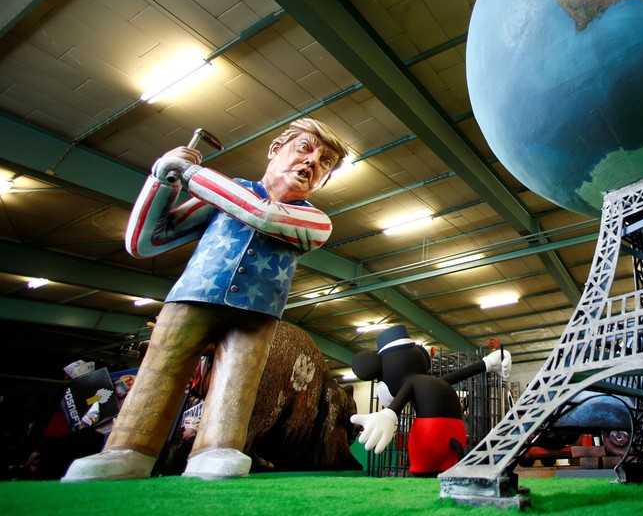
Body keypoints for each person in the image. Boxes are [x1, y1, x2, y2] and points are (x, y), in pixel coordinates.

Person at [62, 118, 348, 482]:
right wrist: (162, 180)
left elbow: (261, 215)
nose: (312, 163)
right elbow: (145, 241)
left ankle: (217, 447)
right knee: (159, 371)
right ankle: (127, 450)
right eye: (305, 148)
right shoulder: (228, 193)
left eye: (325, 163)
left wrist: (192, 175)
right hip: (190, 299)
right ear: (276, 150)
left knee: (238, 379)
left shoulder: (314, 220)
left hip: (255, 315)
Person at [350, 325, 510, 476]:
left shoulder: (414, 383)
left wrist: (389, 414)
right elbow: (456, 376)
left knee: (424, 473)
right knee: (450, 471)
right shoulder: (434, 382)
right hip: (457, 433)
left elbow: (404, 394)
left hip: (429, 436)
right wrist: (487, 363)